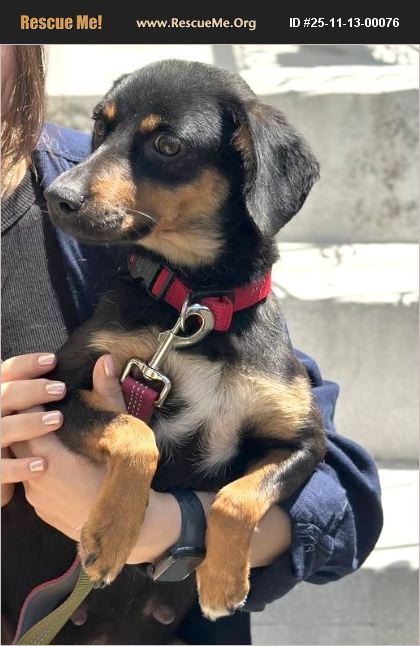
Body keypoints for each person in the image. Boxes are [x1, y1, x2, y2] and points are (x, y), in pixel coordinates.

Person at [1, 45, 383, 645]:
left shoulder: (200, 296)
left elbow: (343, 498)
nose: (80, 185)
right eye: (105, 130)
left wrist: (183, 525)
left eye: (166, 147)